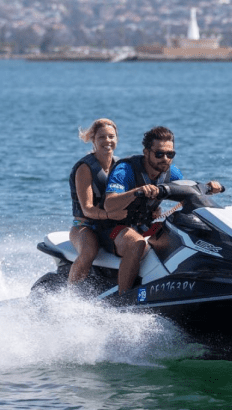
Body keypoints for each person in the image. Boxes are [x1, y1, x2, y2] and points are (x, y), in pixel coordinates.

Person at [103, 126, 222, 294]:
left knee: (182, 234)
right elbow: (109, 205)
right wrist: (136, 192)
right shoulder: (126, 170)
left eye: (170, 154)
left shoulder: (172, 173)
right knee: (137, 244)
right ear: (146, 152)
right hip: (112, 229)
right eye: (159, 154)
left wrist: (208, 188)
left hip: (143, 226)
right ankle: (123, 297)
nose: (165, 159)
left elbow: (188, 196)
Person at [67, 118, 127, 285]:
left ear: (117, 139)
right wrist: (110, 213)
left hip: (109, 226)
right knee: (89, 251)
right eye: (101, 137)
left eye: (111, 136)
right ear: (93, 140)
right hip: (84, 226)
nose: (107, 141)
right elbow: (87, 209)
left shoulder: (120, 166)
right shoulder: (85, 168)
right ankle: (70, 295)